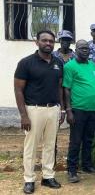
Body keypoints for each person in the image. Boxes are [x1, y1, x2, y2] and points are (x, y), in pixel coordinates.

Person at [14, 30, 64, 194]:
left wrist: (62, 108)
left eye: (51, 41)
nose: (48, 43)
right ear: (37, 42)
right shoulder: (26, 63)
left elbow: (59, 87)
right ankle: (29, 179)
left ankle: (48, 176)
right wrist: (23, 115)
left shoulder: (58, 62)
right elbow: (18, 90)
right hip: (34, 110)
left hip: (53, 109)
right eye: (44, 40)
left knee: (50, 145)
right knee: (31, 146)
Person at [63, 40, 95, 183]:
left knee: (89, 139)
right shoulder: (69, 66)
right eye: (82, 48)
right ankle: (72, 170)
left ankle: (87, 165)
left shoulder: (92, 65)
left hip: (93, 109)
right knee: (75, 141)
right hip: (78, 109)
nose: (85, 50)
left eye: (87, 48)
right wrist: (68, 110)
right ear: (76, 50)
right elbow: (66, 88)